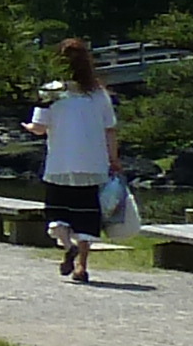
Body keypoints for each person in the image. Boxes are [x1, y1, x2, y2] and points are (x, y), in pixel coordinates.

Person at [25, 37, 123, 283]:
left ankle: (67, 245)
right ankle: (82, 266)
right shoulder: (99, 94)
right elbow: (109, 129)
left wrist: (28, 126)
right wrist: (114, 159)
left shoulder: (51, 91)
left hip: (60, 164)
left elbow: (39, 127)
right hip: (92, 164)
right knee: (87, 217)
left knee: (57, 214)